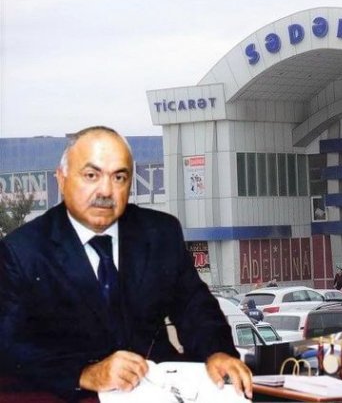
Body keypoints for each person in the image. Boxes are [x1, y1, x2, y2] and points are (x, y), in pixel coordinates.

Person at [0, 126, 252, 399]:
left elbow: (195, 307)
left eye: (119, 177)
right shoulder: (22, 251)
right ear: (61, 179)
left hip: (160, 390)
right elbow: (10, 347)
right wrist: (85, 373)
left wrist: (217, 351)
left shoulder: (160, 232)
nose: (106, 191)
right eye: (91, 175)